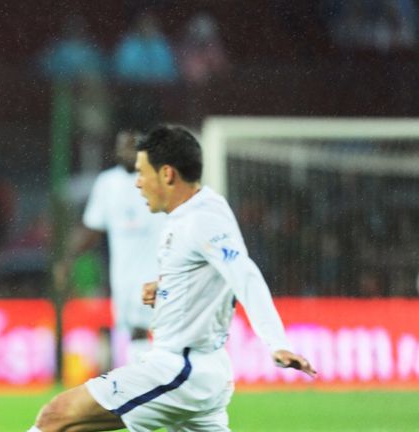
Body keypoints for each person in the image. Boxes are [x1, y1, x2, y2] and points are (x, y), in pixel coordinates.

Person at [31, 125, 316, 432]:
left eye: (142, 173)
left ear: (167, 174)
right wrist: (166, 288)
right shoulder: (194, 210)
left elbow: (244, 274)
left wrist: (277, 342)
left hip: (181, 369)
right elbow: (208, 273)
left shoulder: (201, 219)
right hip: (196, 371)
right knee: (71, 426)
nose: (138, 183)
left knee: (56, 417)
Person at [56, 130, 163, 366]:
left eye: (132, 147)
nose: (127, 152)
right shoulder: (107, 183)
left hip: (155, 274)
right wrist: (68, 259)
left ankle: (144, 385)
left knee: (141, 330)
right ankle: (144, 382)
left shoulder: (158, 180)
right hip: (121, 276)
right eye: (123, 146)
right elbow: (92, 228)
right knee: (131, 331)